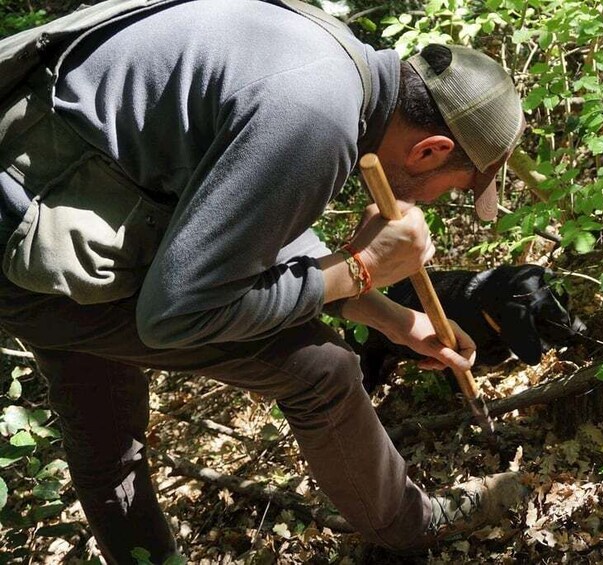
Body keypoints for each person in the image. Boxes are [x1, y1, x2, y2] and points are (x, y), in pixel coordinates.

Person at [0, 0, 526, 562]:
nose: (433, 200)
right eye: (451, 187)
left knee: (104, 431)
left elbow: (244, 222)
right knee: (322, 369)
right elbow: (176, 315)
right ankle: (410, 526)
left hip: (47, 215)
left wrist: (393, 318)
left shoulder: (327, 56)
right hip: (33, 246)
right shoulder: (317, 117)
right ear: (431, 151)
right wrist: (358, 268)